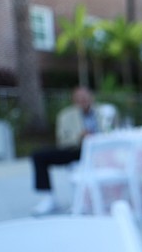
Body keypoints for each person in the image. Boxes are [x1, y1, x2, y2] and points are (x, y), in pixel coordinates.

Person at [31, 86, 118, 215]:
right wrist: (79, 137)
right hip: (77, 149)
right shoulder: (65, 115)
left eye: (85, 97)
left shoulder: (104, 111)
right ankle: (48, 198)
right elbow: (62, 139)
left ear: (91, 97)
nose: (83, 100)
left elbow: (114, 131)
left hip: (100, 150)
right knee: (39, 156)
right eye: (79, 98)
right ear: (74, 100)